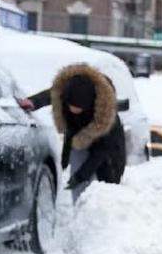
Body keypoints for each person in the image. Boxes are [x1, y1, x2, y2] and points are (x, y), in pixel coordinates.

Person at [48, 63, 126, 201]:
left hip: (108, 153)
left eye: (78, 108)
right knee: (78, 186)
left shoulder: (107, 119)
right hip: (82, 143)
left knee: (106, 188)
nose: (74, 111)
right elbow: (70, 131)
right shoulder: (67, 95)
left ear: (88, 105)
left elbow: (101, 152)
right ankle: (79, 211)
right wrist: (64, 160)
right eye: (71, 107)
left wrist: (80, 177)